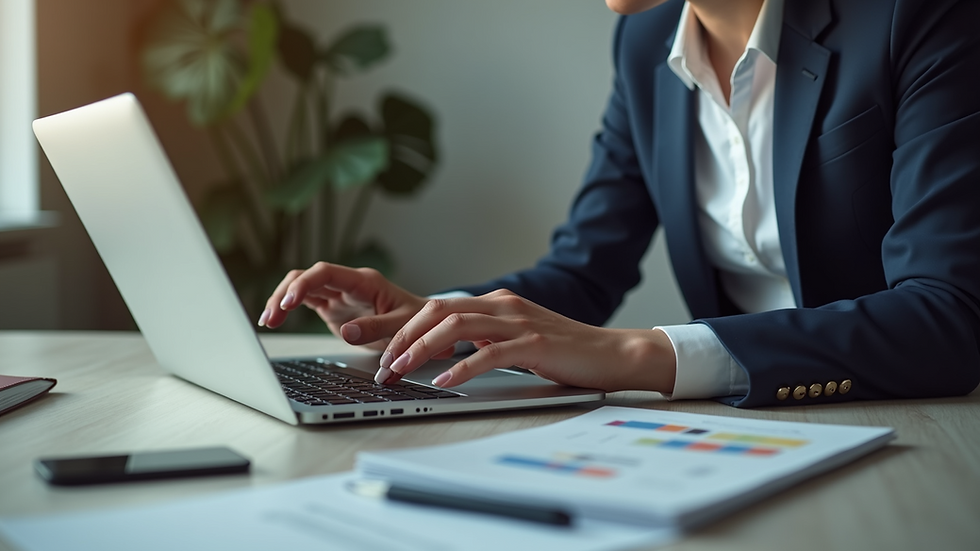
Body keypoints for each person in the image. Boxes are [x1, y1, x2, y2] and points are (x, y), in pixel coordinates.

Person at [258, 0, 980, 407]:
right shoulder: (644, 42)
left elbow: (948, 317)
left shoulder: (917, 17)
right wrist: (437, 318)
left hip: (907, 422)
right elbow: (582, 272)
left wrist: (638, 352)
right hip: (737, 434)